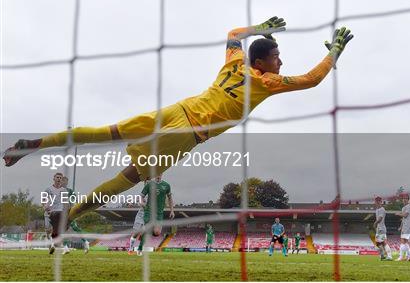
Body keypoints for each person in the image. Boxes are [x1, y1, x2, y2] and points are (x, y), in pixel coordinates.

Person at [3, 17, 353, 237]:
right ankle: (71, 215)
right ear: (261, 61)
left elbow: (233, 33)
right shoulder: (265, 81)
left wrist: (259, 29)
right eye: (277, 56)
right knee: (129, 178)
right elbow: (310, 79)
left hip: (176, 109)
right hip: (188, 131)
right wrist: (333, 54)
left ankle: (35, 143)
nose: (281, 61)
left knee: (104, 131)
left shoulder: (234, 63)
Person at [136, 175, 174, 256]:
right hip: (149, 211)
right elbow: (141, 196)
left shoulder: (166, 185)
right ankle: (140, 248)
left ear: (162, 174)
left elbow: (170, 198)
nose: (158, 174)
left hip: (159, 213)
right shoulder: (149, 184)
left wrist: (172, 211)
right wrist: (141, 203)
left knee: (157, 232)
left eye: (160, 173)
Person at [62, 176, 90, 254]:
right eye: (62, 181)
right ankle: (66, 247)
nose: (63, 183)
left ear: (66, 183)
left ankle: (85, 242)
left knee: (72, 228)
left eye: (65, 181)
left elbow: (75, 200)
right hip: (62, 213)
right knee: (65, 230)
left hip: (68, 212)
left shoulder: (70, 191)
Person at [43, 173, 68, 254]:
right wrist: (46, 206)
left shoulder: (64, 190)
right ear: (54, 178)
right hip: (49, 212)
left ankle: (53, 244)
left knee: (56, 230)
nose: (59, 179)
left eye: (60, 178)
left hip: (58, 212)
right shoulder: (48, 189)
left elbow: (65, 202)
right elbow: (43, 200)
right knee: (47, 229)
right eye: (57, 177)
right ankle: (50, 244)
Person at [128, 180, 148, 255]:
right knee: (136, 233)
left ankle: (139, 250)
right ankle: (130, 248)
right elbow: (136, 199)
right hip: (140, 215)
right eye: (146, 183)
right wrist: (131, 203)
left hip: (148, 216)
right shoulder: (142, 194)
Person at [395, 193, 410, 261]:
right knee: (404, 242)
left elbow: (405, 215)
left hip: (408, 226)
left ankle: (401, 257)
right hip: (405, 226)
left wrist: (398, 214)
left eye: (406, 198)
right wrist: (401, 226)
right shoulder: (404, 207)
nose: (404, 200)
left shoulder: (409, 206)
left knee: (403, 241)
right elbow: (403, 219)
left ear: (408, 200)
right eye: (403, 198)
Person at [373, 196, 392, 261]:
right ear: (375, 202)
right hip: (379, 229)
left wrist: (375, 223)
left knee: (383, 243)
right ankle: (382, 256)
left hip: (381, 229)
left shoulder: (382, 209)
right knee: (379, 243)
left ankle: (389, 256)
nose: (377, 202)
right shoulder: (377, 210)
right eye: (376, 201)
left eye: (379, 201)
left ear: (381, 202)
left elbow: (380, 218)